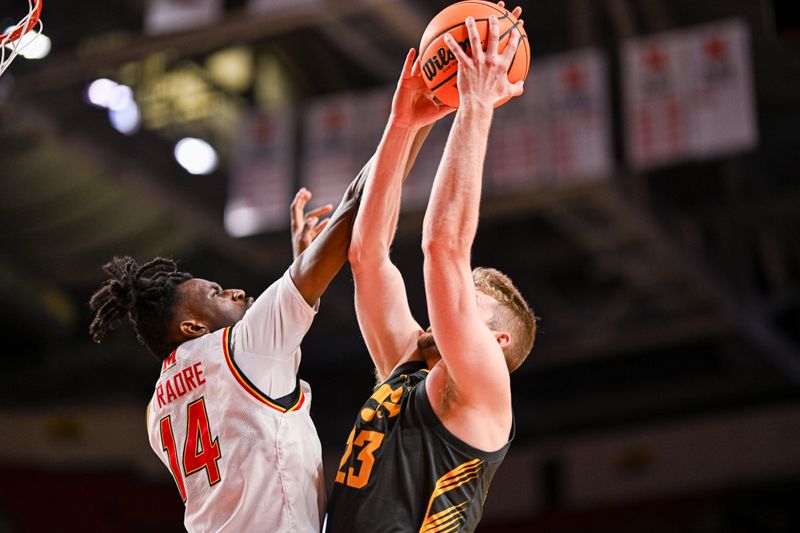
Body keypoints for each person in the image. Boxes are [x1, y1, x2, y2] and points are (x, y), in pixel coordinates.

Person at [87, 113, 430, 531]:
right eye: (215, 294)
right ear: (193, 328)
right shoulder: (242, 347)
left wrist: (303, 265)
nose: (234, 292)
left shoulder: (158, 407)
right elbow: (356, 206)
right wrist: (414, 114)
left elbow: (243, 406)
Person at [325, 11, 536, 533]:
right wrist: (404, 124)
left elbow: (444, 248)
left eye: (471, 300)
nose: (448, 305)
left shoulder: (484, 389)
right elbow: (367, 253)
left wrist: (477, 106)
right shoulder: (408, 370)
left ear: (499, 339)